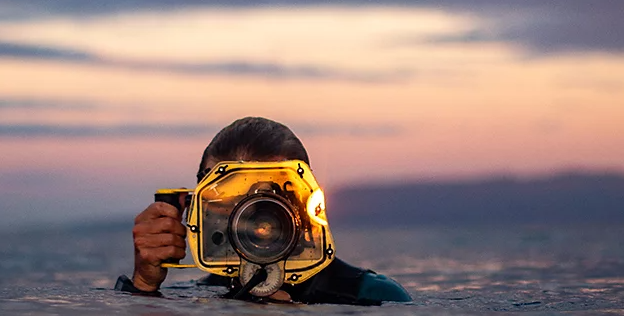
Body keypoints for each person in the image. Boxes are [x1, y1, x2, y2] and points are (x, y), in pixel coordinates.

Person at [115, 116, 411, 305]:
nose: (252, 217)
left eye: (269, 197)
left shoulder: (370, 295)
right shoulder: (204, 294)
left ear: (306, 202)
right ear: (196, 208)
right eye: (228, 196)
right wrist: (144, 283)